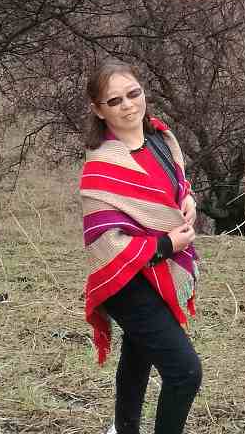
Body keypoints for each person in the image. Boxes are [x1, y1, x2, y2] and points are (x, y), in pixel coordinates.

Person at [81, 61, 203, 434]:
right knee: (185, 372)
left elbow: (175, 187)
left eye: (133, 94)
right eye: (114, 100)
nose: (128, 105)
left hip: (159, 275)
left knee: (138, 352)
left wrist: (188, 199)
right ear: (98, 110)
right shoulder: (102, 167)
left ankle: (123, 429)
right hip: (126, 282)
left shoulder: (162, 140)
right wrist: (167, 243)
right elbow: (106, 244)